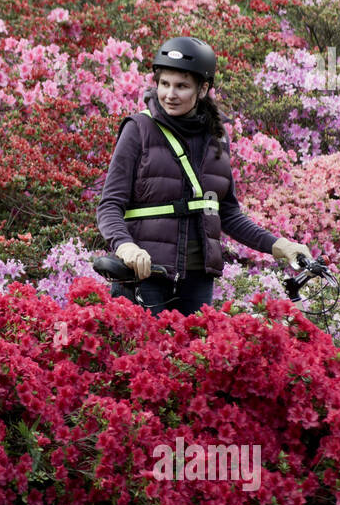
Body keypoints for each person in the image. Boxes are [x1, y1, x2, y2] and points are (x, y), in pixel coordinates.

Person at [96, 36, 312, 316]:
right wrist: (125, 246)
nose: (170, 94)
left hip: (197, 280)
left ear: (203, 89)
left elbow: (227, 213)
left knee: (194, 358)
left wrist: (279, 245)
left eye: (182, 86)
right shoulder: (138, 129)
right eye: (164, 84)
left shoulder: (216, 138)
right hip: (144, 277)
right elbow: (109, 205)